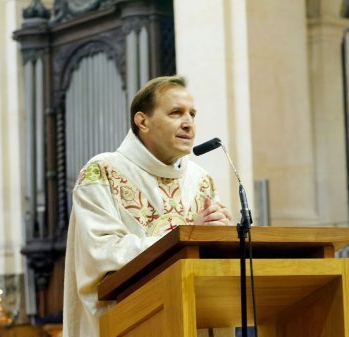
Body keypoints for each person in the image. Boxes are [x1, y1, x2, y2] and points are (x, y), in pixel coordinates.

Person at [63, 76, 233, 337]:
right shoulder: (103, 171)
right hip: (132, 321)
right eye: (176, 113)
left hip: (194, 318)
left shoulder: (201, 180)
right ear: (142, 121)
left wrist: (223, 236)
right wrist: (187, 236)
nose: (188, 123)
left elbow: (212, 257)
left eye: (192, 114)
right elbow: (102, 253)